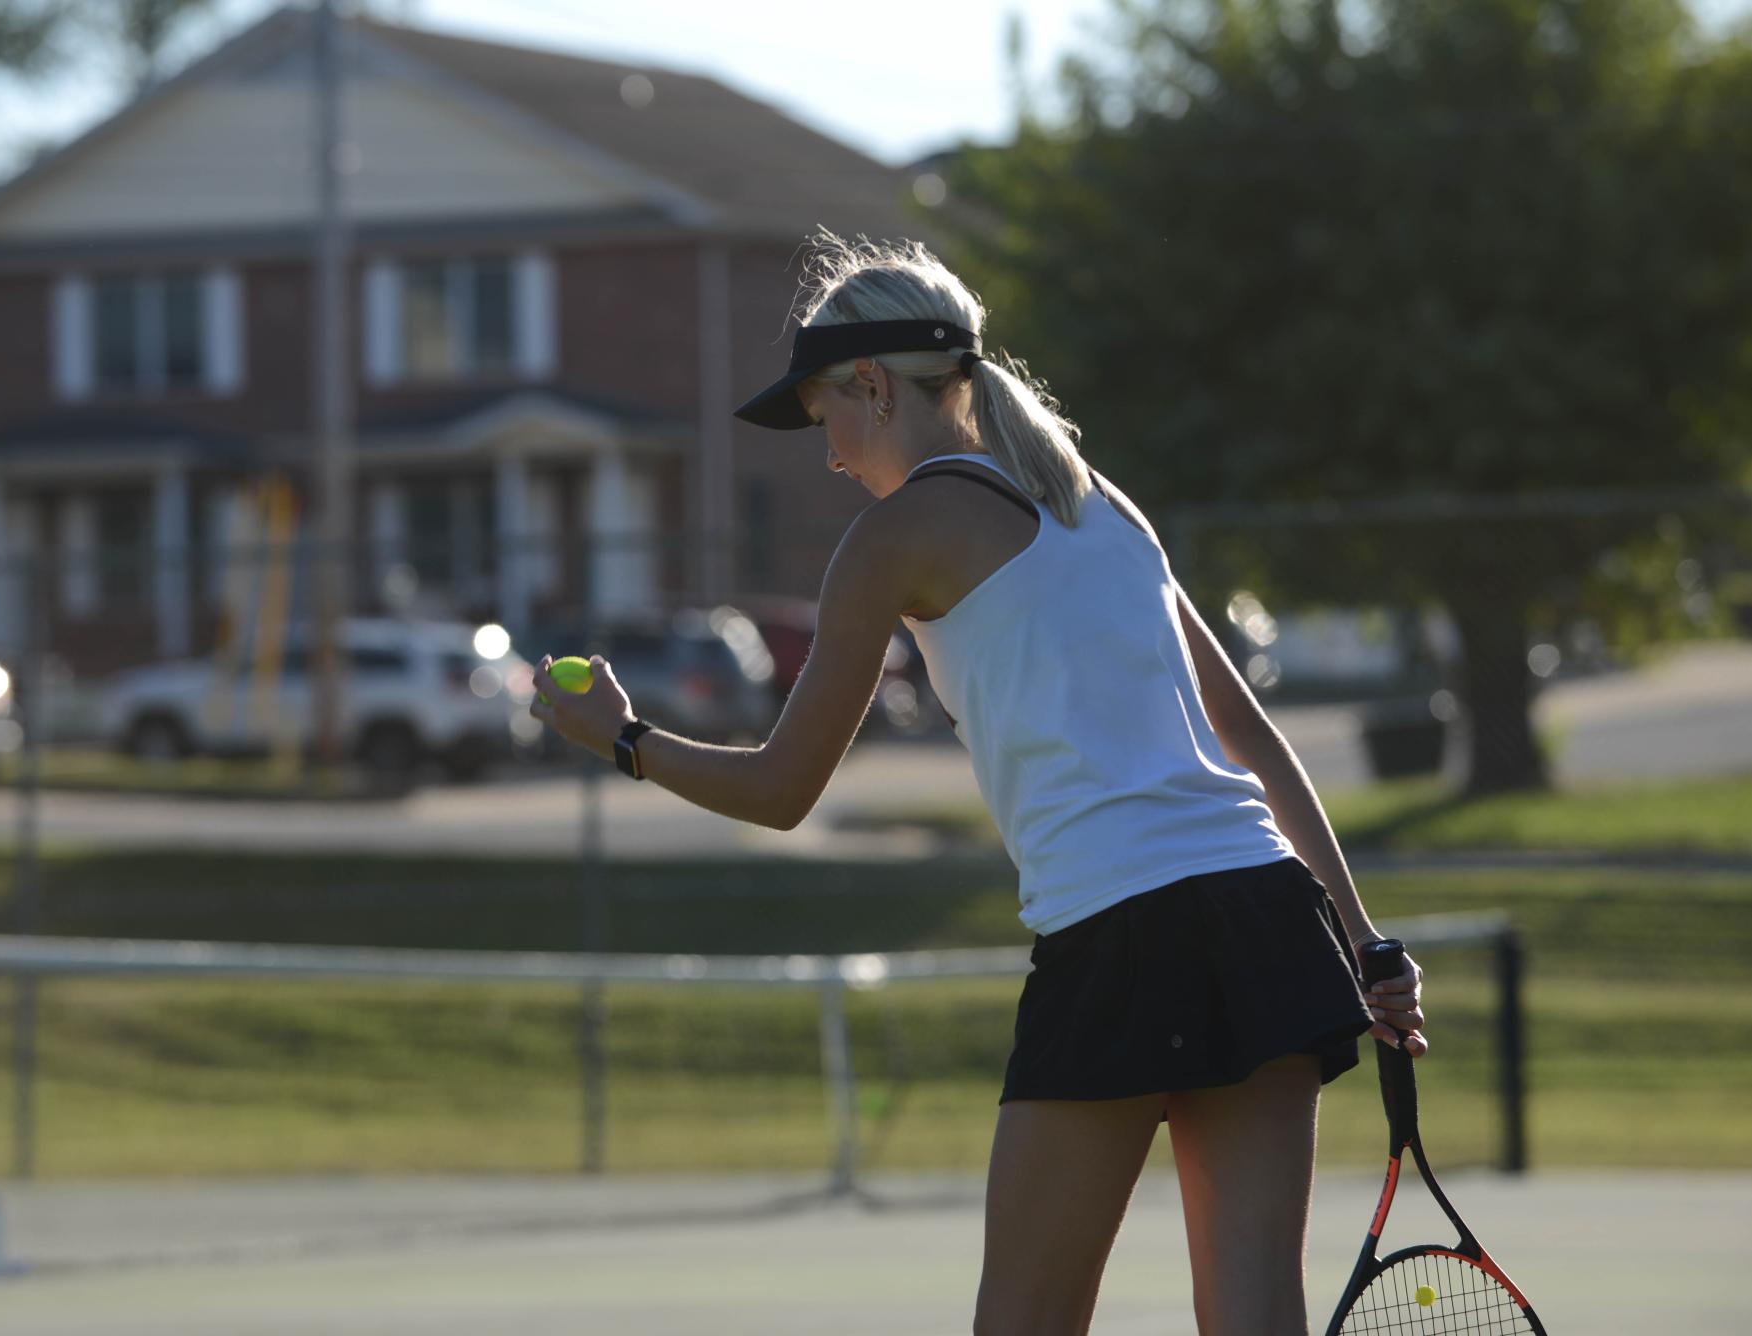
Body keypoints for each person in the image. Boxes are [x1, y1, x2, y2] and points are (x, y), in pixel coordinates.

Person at [527, 231, 1426, 1335]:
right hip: (1269, 919)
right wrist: (1365, 940)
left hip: (1120, 939)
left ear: (870, 385)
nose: (832, 456)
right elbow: (1254, 741)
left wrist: (621, 738)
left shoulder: (889, 540)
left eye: (827, 422)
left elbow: (782, 788)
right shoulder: (1111, 506)